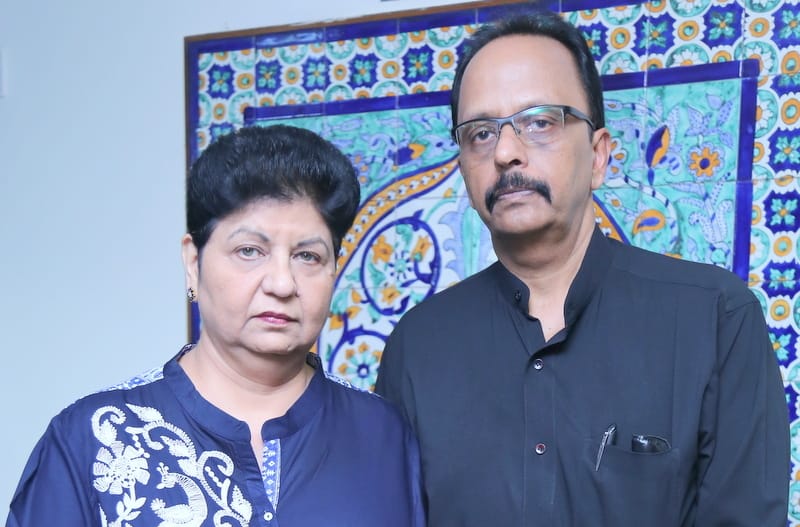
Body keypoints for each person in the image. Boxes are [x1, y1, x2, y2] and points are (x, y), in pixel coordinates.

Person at [375, 9, 789, 527]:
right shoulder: (418, 345)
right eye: (480, 133)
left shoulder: (715, 318)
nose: (505, 152)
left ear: (599, 156)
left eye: (539, 122)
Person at [8, 125, 425, 527]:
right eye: (250, 251)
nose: (282, 284)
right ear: (194, 263)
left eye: (307, 256)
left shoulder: (382, 433)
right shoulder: (92, 437)